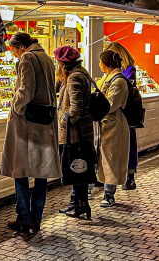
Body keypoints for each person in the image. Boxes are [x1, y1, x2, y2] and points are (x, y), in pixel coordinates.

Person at [0, 32, 60, 234]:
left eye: (15, 51)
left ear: (21, 47)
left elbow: (26, 89)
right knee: (41, 174)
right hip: (44, 122)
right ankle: (37, 219)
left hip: (27, 124)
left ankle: (24, 218)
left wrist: (15, 108)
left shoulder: (27, 58)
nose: (16, 55)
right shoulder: (47, 58)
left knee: (21, 170)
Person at [54, 45, 94, 220]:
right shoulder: (80, 74)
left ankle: (80, 204)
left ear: (63, 63)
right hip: (82, 133)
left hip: (75, 134)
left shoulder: (75, 78)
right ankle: (77, 202)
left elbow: (75, 109)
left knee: (77, 168)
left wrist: (63, 121)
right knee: (80, 169)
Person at [95, 50, 130, 207]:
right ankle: (103, 189)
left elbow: (111, 104)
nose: (99, 64)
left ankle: (109, 194)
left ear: (106, 63)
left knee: (111, 159)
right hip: (104, 124)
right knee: (102, 159)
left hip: (114, 124)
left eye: (101, 61)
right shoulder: (106, 79)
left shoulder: (119, 81)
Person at [104, 41, 138, 190]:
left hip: (125, 114)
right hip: (119, 115)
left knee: (128, 145)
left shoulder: (125, 73)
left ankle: (129, 176)